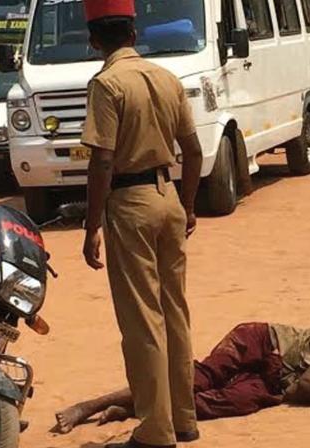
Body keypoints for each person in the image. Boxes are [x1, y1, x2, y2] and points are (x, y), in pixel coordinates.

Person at [79, 0, 204, 446]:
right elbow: (193, 151)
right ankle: (184, 419)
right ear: (133, 34)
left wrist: (91, 224)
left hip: (129, 204)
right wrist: (187, 205)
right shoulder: (167, 79)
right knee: (175, 314)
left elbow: (102, 160)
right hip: (167, 197)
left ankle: (155, 430)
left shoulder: (107, 85)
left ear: (95, 40)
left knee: (142, 322)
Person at [55, 323, 310, 433]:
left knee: (223, 404)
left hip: (272, 382)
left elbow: (297, 390)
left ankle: (132, 407)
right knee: (196, 379)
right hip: (260, 342)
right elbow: (306, 384)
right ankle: (90, 405)